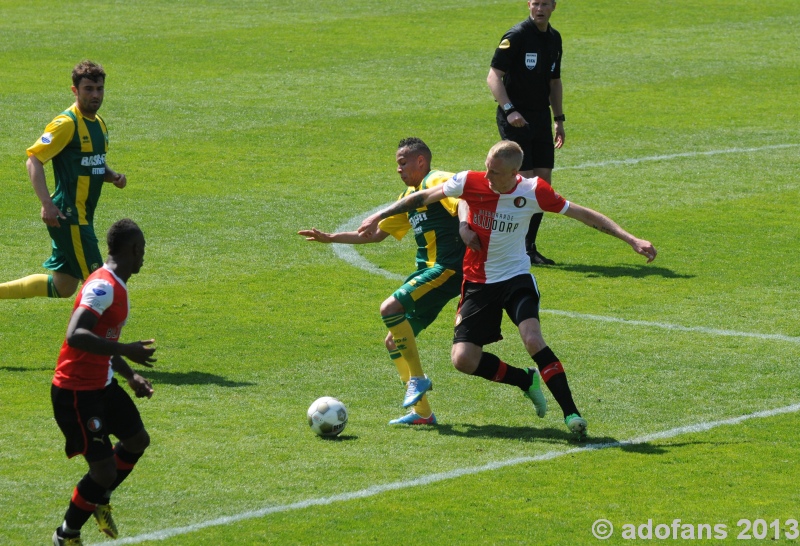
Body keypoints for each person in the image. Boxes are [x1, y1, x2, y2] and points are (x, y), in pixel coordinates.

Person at [359, 141, 657, 439]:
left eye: (495, 172)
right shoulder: (471, 180)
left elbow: (584, 215)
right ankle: (525, 380)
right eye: (487, 167)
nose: (487, 176)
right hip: (477, 284)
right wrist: (379, 216)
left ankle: (571, 413)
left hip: (515, 279)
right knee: (463, 360)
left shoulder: (534, 191)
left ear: (515, 172)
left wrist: (630, 239)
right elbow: (424, 197)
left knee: (532, 339)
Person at [298, 138, 472, 425]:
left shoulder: (436, 179)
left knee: (389, 308)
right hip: (428, 273)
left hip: (447, 268)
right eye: (397, 164)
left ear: (420, 161)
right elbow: (374, 235)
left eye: (403, 163)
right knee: (394, 342)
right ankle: (423, 414)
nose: (398, 169)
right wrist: (330, 238)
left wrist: (464, 227)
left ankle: (417, 379)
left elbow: (463, 195)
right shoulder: (409, 194)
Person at [51, 219, 156, 546]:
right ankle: (66, 534)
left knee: (137, 441)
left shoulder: (116, 284)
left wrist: (129, 374)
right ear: (132, 250)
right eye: (142, 251)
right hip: (76, 392)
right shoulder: (103, 287)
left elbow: (102, 337)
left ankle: (98, 499)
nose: (143, 258)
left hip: (102, 383)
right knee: (104, 471)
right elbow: (77, 335)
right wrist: (127, 350)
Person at [0, 60, 127, 301]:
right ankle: (94, 338)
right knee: (102, 284)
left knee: (64, 286)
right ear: (75, 90)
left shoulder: (98, 123)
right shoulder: (66, 124)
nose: (95, 95)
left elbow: (94, 163)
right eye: (88, 89)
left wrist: (113, 176)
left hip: (82, 216)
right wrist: (47, 204)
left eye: (99, 88)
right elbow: (34, 160)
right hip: (69, 216)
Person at [487, 0, 564, 265]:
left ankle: (528, 248)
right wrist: (510, 110)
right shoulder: (517, 36)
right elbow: (493, 76)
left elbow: (555, 81)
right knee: (524, 182)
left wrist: (559, 119)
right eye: (535, 3)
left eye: (545, 3)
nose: (539, 8)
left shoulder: (554, 38)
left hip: (541, 118)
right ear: (528, 5)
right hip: (516, 119)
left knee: (542, 186)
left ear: (554, 6)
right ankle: (512, 246)